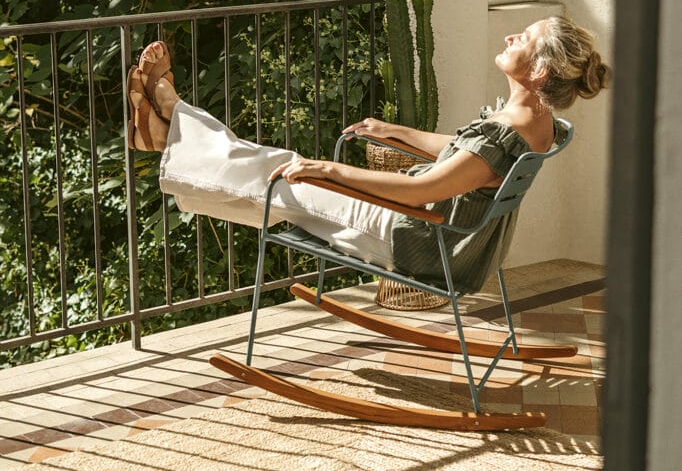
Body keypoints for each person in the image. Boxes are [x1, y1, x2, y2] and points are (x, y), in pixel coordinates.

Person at [127, 16, 610, 291]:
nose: (510, 37)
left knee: (276, 172)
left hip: (417, 241)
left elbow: (424, 190)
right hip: (449, 242)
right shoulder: (537, 124)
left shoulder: (506, 135)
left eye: (523, 39)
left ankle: (169, 118)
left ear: (541, 73)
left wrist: (331, 170)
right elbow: (462, 155)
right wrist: (392, 129)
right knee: (268, 174)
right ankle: (168, 126)